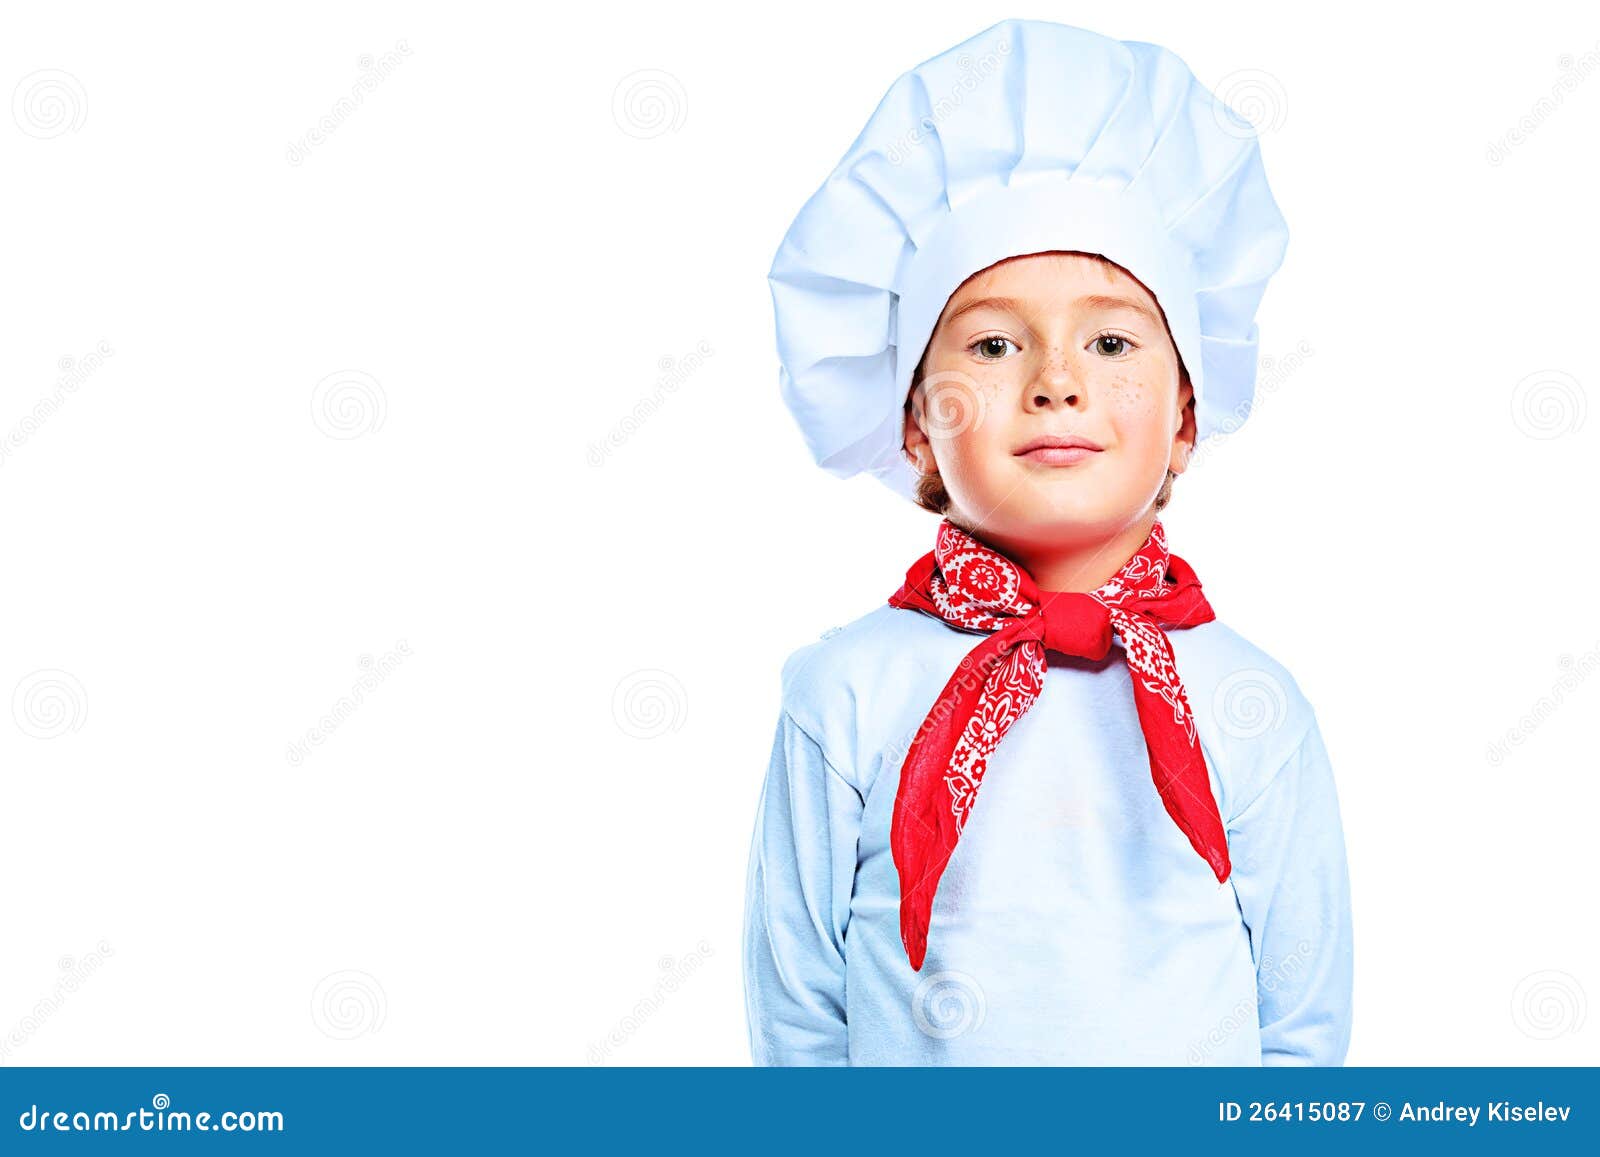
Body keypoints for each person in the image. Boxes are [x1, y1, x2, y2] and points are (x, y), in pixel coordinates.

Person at [743, 18, 1353, 1065]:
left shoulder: (1251, 700)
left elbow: (1300, 1019)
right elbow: (798, 1013)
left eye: (1112, 339)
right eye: (990, 341)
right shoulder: (844, 691)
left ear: (1187, 413)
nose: (1054, 379)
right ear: (913, 422)